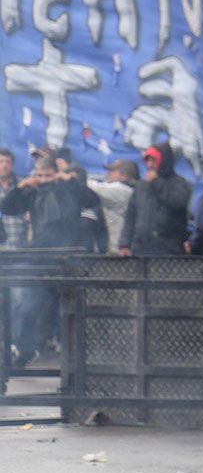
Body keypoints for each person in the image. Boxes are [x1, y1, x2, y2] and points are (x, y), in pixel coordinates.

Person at [0, 154, 100, 364]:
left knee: (70, 311)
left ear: (56, 174)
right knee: (27, 306)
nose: (44, 180)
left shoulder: (69, 190)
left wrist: (68, 180)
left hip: (68, 258)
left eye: (48, 175)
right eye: (40, 175)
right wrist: (22, 186)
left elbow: (92, 200)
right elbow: (8, 207)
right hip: (40, 256)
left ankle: (76, 359)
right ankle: (24, 349)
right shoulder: (32, 193)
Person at [119, 143, 191, 256]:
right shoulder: (141, 186)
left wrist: (157, 182)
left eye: (154, 160)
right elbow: (131, 217)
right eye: (148, 161)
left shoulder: (179, 183)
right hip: (141, 251)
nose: (150, 165)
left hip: (169, 251)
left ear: (163, 161)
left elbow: (178, 202)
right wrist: (125, 244)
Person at [88, 159, 138, 253]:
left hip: (118, 249)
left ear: (124, 176)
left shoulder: (122, 190)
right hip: (111, 248)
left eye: (112, 171)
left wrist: (76, 177)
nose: (108, 173)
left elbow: (97, 188)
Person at [0, 148, 24, 248]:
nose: (4, 165)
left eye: (7, 162)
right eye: (1, 161)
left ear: (12, 165)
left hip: (21, 244)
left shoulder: (22, 184)